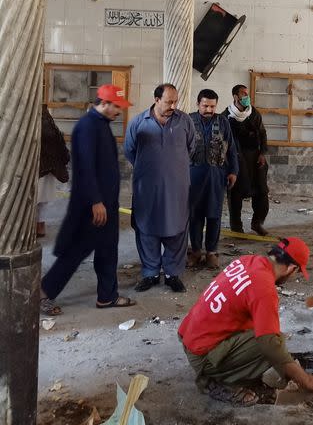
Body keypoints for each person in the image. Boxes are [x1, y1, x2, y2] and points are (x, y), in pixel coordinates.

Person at [179, 237, 313, 405]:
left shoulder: (248, 261)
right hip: (203, 356)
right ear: (292, 268)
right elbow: (270, 345)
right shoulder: (264, 287)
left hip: (190, 338)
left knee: (267, 334)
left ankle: (227, 370)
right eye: (297, 272)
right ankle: (216, 382)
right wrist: (307, 381)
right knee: (272, 343)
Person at [40, 85, 135, 315]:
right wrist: (95, 201)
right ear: (104, 103)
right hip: (93, 206)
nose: (119, 111)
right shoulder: (87, 127)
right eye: (117, 106)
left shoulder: (100, 125)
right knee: (76, 251)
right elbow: (85, 168)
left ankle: (107, 296)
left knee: (107, 250)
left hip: (107, 204)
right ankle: (43, 294)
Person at [125, 83, 196, 293]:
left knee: (177, 228)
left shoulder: (185, 121)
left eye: (175, 101)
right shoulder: (139, 122)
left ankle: (173, 274)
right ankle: (150, 273)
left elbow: (190, 148)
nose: (173, 105)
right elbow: (130, 151)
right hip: (147, 189)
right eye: (168, 102)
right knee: (147, 228)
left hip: (177, 188)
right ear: (156, 100)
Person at [188, 89, 238, 271]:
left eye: (212, 106)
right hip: (192, 176)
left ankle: (211, 252)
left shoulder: (223, 121)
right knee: (194, 215)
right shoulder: (188, 121)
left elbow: (231, 149)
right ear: (197, 104)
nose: (209, 109)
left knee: (214, 214)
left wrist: (233, 171)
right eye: (205, 106)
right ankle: (195, 250)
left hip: (217, 175)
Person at [225, 84, 270, 236]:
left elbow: (262, 133)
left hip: (255, 157)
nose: (246, 96)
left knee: (262, 191)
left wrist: (262, 153)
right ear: (235, 97)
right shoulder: (226, 117)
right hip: (237, 158)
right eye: (243, 94)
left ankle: (257, 223)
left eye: (247, 93)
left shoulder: (254, 113)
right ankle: (236, 227)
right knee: (236, 192)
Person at [37, 105, 70, 238]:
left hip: (43, 168)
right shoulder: (48, 122)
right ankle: (39, 225)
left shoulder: (43, 123)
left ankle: (38, 225)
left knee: (38, 199)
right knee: (40, 200)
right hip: (47, 168)